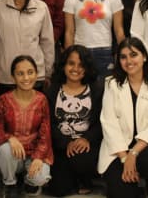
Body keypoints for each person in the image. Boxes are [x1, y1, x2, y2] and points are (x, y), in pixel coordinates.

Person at [99, 37, 148, 198]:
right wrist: (125, 158)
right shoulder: (111, 84)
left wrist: (133, 154)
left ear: (144, 57)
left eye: (133, 55)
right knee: (121, 193)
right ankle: (134, 181)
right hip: (119, 147)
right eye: (123, 57)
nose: (128, 61)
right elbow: (109, 123)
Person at [45, 45, 103, 196]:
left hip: (86, 145)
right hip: (61, 145)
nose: (75, 68)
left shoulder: (96, 90)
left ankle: (84, 178)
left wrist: (86, 139)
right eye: (71, 63)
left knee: (81, 161)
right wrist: (66, 143)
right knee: (58, 190)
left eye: (81, 65)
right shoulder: (52, 90)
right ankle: (73, 178)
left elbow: (101, 123)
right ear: (64, 65)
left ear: (87, 68)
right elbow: (48, 124)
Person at [0, 56, 53, 198]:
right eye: (20, 74)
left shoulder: (41, 100)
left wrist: (39, 157)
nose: (26, 78)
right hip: (13, 155)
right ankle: (10, 183)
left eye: (30, 72)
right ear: (13, 77)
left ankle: (28, 182)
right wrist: (10, 138)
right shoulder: (3, 100)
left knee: (41, 177)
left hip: (33, 152)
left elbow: (45, 133)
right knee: (4, 149)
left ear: (36, 74)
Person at [64, 0, 125, 76]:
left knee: (105, 92)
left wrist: (122, 54)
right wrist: (68, 57)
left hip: (105, 53)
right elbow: (69, 32)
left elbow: (119, 30)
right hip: (79, 54)